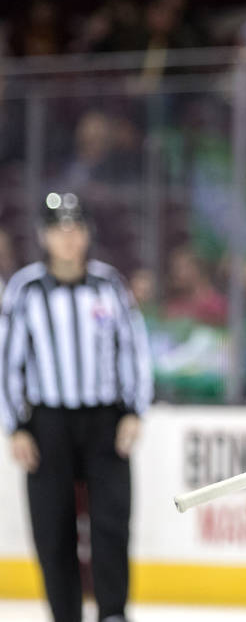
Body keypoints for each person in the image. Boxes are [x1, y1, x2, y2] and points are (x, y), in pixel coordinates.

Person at [0, 193, 152, 622]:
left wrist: (134, 411)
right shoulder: (26, 289)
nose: (68, 238)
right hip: (47, 422)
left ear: (87, 233)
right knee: (52, 528)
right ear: (43, 236)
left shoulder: (109, 285)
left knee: (111, 523)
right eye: (59, 229)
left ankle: (113, 613)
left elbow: (134, 350)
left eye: (76, 228)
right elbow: (8, 361)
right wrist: (15, 427)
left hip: (105, 419)